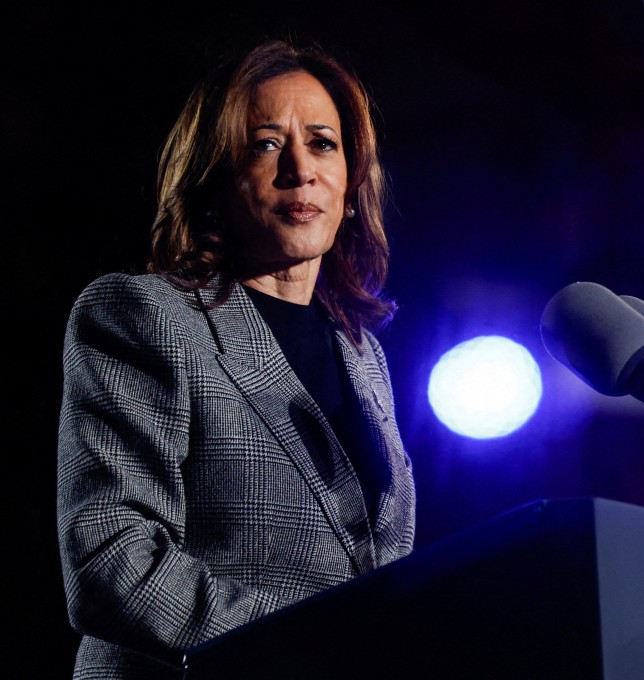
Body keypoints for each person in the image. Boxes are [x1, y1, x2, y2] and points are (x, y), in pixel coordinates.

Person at [56, 39, 416, 679]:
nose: (300, 169)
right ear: (215, 180)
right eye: (265, 143)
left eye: (323, 143)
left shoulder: (365, 355)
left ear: (352, 184)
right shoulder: (143, 316)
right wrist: (319, 650)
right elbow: (113, 561)